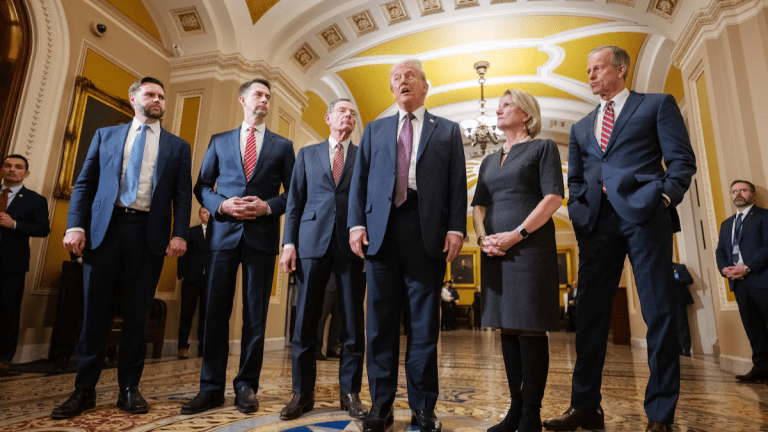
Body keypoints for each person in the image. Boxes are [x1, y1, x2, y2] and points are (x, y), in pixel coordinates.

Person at [543, 46, 696, 432]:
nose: (591, 75)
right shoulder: (579, 129)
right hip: (596, 225)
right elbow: (575, 179)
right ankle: (585, 407)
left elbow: (681, 161)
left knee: (658, 312)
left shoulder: (656, 105)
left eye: (598, 68)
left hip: (645, 217)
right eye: (588, 69)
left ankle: (660, 414)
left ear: (621, 69)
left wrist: (663, 197)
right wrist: (579, 213)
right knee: (590, 316)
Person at [53, 77, 192, 419]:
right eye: (150, 94)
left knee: (136, 316)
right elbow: (84, 183)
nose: (157, 100)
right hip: (105, 229)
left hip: (148, 234)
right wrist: (75, 224)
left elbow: (182, 195)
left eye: (161, 96)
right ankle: (84, 390)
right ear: (134, 98)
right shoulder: (106, 135)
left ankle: (129, 389)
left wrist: (179, 234)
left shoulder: (177, 146)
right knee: (94, 313)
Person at [348, 58, 467, 432]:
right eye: (396, 78)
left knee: (422, 325)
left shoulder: (447, 130)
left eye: (409, 76)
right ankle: (380, 405)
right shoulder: (374, 130)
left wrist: (456, 229)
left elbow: (457, 185)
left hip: (425, 230)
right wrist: (355, 225)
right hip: (381, 231)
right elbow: (360, 181)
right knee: (380, 325)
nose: (402, 82)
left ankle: (423, 408)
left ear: (424, 85)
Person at [182, 78, 295, 415]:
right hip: (222, 236)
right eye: (258, 94)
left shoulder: (283, 146)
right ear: (244, 100)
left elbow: (293, 193)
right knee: (215, 312)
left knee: (255, 316)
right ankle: (211, 387)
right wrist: (222, 205)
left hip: (261, 238)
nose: (265, 99)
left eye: (268, 96)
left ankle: (246, 385)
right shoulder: (220, 141)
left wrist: (268, 207)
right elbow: (202, 185)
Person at [472, 88, 563, 432]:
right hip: (495, 251)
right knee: (506, 326)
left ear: (525, 114)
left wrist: (516, 235)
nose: (498, 111)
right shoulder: (488, 160)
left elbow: (553, 198)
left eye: (506, 105)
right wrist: (483, 239)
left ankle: (531, 415)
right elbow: (478, 206)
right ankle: (515, 410)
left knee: (529, 326)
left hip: (529, 248)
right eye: (497, 106)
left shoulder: (543, 148)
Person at [279, 98, 367, 420]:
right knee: (304, 322)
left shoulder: (363, 157)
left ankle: (350, 394)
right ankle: (302, 394)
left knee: (353, 324)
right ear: (329, 118)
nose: (349, 116)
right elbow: (294, 203)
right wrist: (288, 243)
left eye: (353, 113)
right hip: (311, 245)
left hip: (352, 247)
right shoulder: (306, 154)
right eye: (343, 111)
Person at [0, 155, 50, 372]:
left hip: (11, 264)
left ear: (26, 174)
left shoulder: (35, 200)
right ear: (2, 170)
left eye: (18, 167)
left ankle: (3, 357)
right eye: (8, 166)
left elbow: (43, 229)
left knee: (7, 311)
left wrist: (15, 224)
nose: (12, 170)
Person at [715, 180, 768, 382]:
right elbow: (721, 250)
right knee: (753, 327)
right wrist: (724, 269)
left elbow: (767, 247)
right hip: (739, 284)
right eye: (735, 191)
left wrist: (747, 267)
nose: (738, 193)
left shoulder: (764, 216)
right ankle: (762, 368)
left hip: (761, 279)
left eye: (743, 190)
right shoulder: (727, 224)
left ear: (753, 195)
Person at [177, 207, 210, 359]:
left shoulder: (217, 233)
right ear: (199, 214)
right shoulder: (191, 232)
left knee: (206, 316)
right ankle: (182, 347)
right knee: (186, 314)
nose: (207, 214)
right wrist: (182, 275)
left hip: (209, 282)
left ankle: (203, 348)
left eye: (209, 212)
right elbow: (183, 255)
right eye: (204, 212)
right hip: (191, 279)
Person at [672, 262, 694, 356]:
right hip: (666, 300)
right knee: (672, 325)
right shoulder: (660, 269)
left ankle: (686, 348)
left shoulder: (680, 267)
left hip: (679, 299)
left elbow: (689, 280)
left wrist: (675, 281)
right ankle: (677, 348)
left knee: (682, 324)